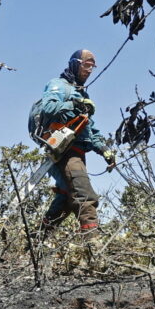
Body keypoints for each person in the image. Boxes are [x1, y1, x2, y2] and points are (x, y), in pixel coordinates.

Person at [29, 49, 116, 234]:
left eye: (92, 66)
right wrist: (73, 104)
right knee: (85, 196)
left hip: (77, 151)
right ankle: (94, 246)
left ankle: (37, 242)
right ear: (75, 63)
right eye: (86, 65)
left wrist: (104, 150)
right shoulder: (59, 85)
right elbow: (48, 107)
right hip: (63, 150)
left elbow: (89, 129)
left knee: (66, 199)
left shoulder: (83, 95)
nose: (89, 70)